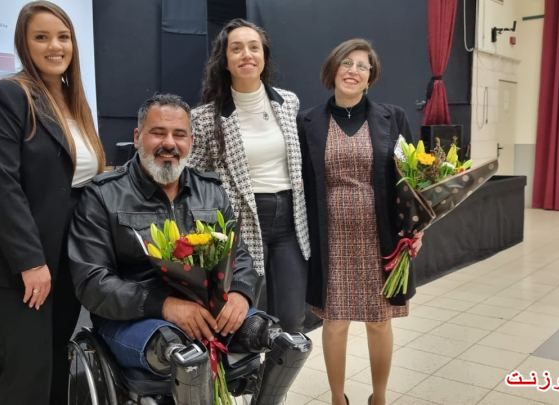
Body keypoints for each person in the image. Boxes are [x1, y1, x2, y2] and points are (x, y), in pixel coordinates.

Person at [68, 94, 310, 404]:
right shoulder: (102, 196)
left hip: (209, 311)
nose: (169, 143)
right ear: (138, 136)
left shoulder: (210, 190)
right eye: (158, 132)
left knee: (286, 342)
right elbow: (91, 282)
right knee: (183, 355)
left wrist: (241, 293)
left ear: (191, 141)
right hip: (135, 319)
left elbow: (240, 256)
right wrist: (164, 305)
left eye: (179, 134)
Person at [0, 2, 106, 404]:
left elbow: (83, 182)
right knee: (26, 373)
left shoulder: (75, 104)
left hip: (65, 259)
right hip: (19, 264)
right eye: (41, 37)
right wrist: (30, 262)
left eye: (63, 37)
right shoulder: (5, 96)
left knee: (56, 363)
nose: (55, 46)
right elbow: (2, 186)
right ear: (24, 45)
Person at [298, 39, 422, 405]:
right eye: (346, 63)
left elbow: (411, 180)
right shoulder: (308, 122)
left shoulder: (393, 117)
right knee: (334, 322)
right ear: (333, 70)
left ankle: (379, 397)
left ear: (370, 77)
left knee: (379, 321)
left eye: (362, 66)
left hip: (380, 235)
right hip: (330, 237)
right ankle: (338, 398)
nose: (353, 70)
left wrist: (416, 229)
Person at [189, 18, 311, 333]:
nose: (247, 54)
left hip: (289, 222)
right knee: (243, 322)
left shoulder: (288, 103)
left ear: (264, 56)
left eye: (254, 47)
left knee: (291, 320)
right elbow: (192, 177)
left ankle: (281, 368)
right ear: (224, 60)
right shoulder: (205, 118)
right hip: (239, 223)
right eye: (237, 48)